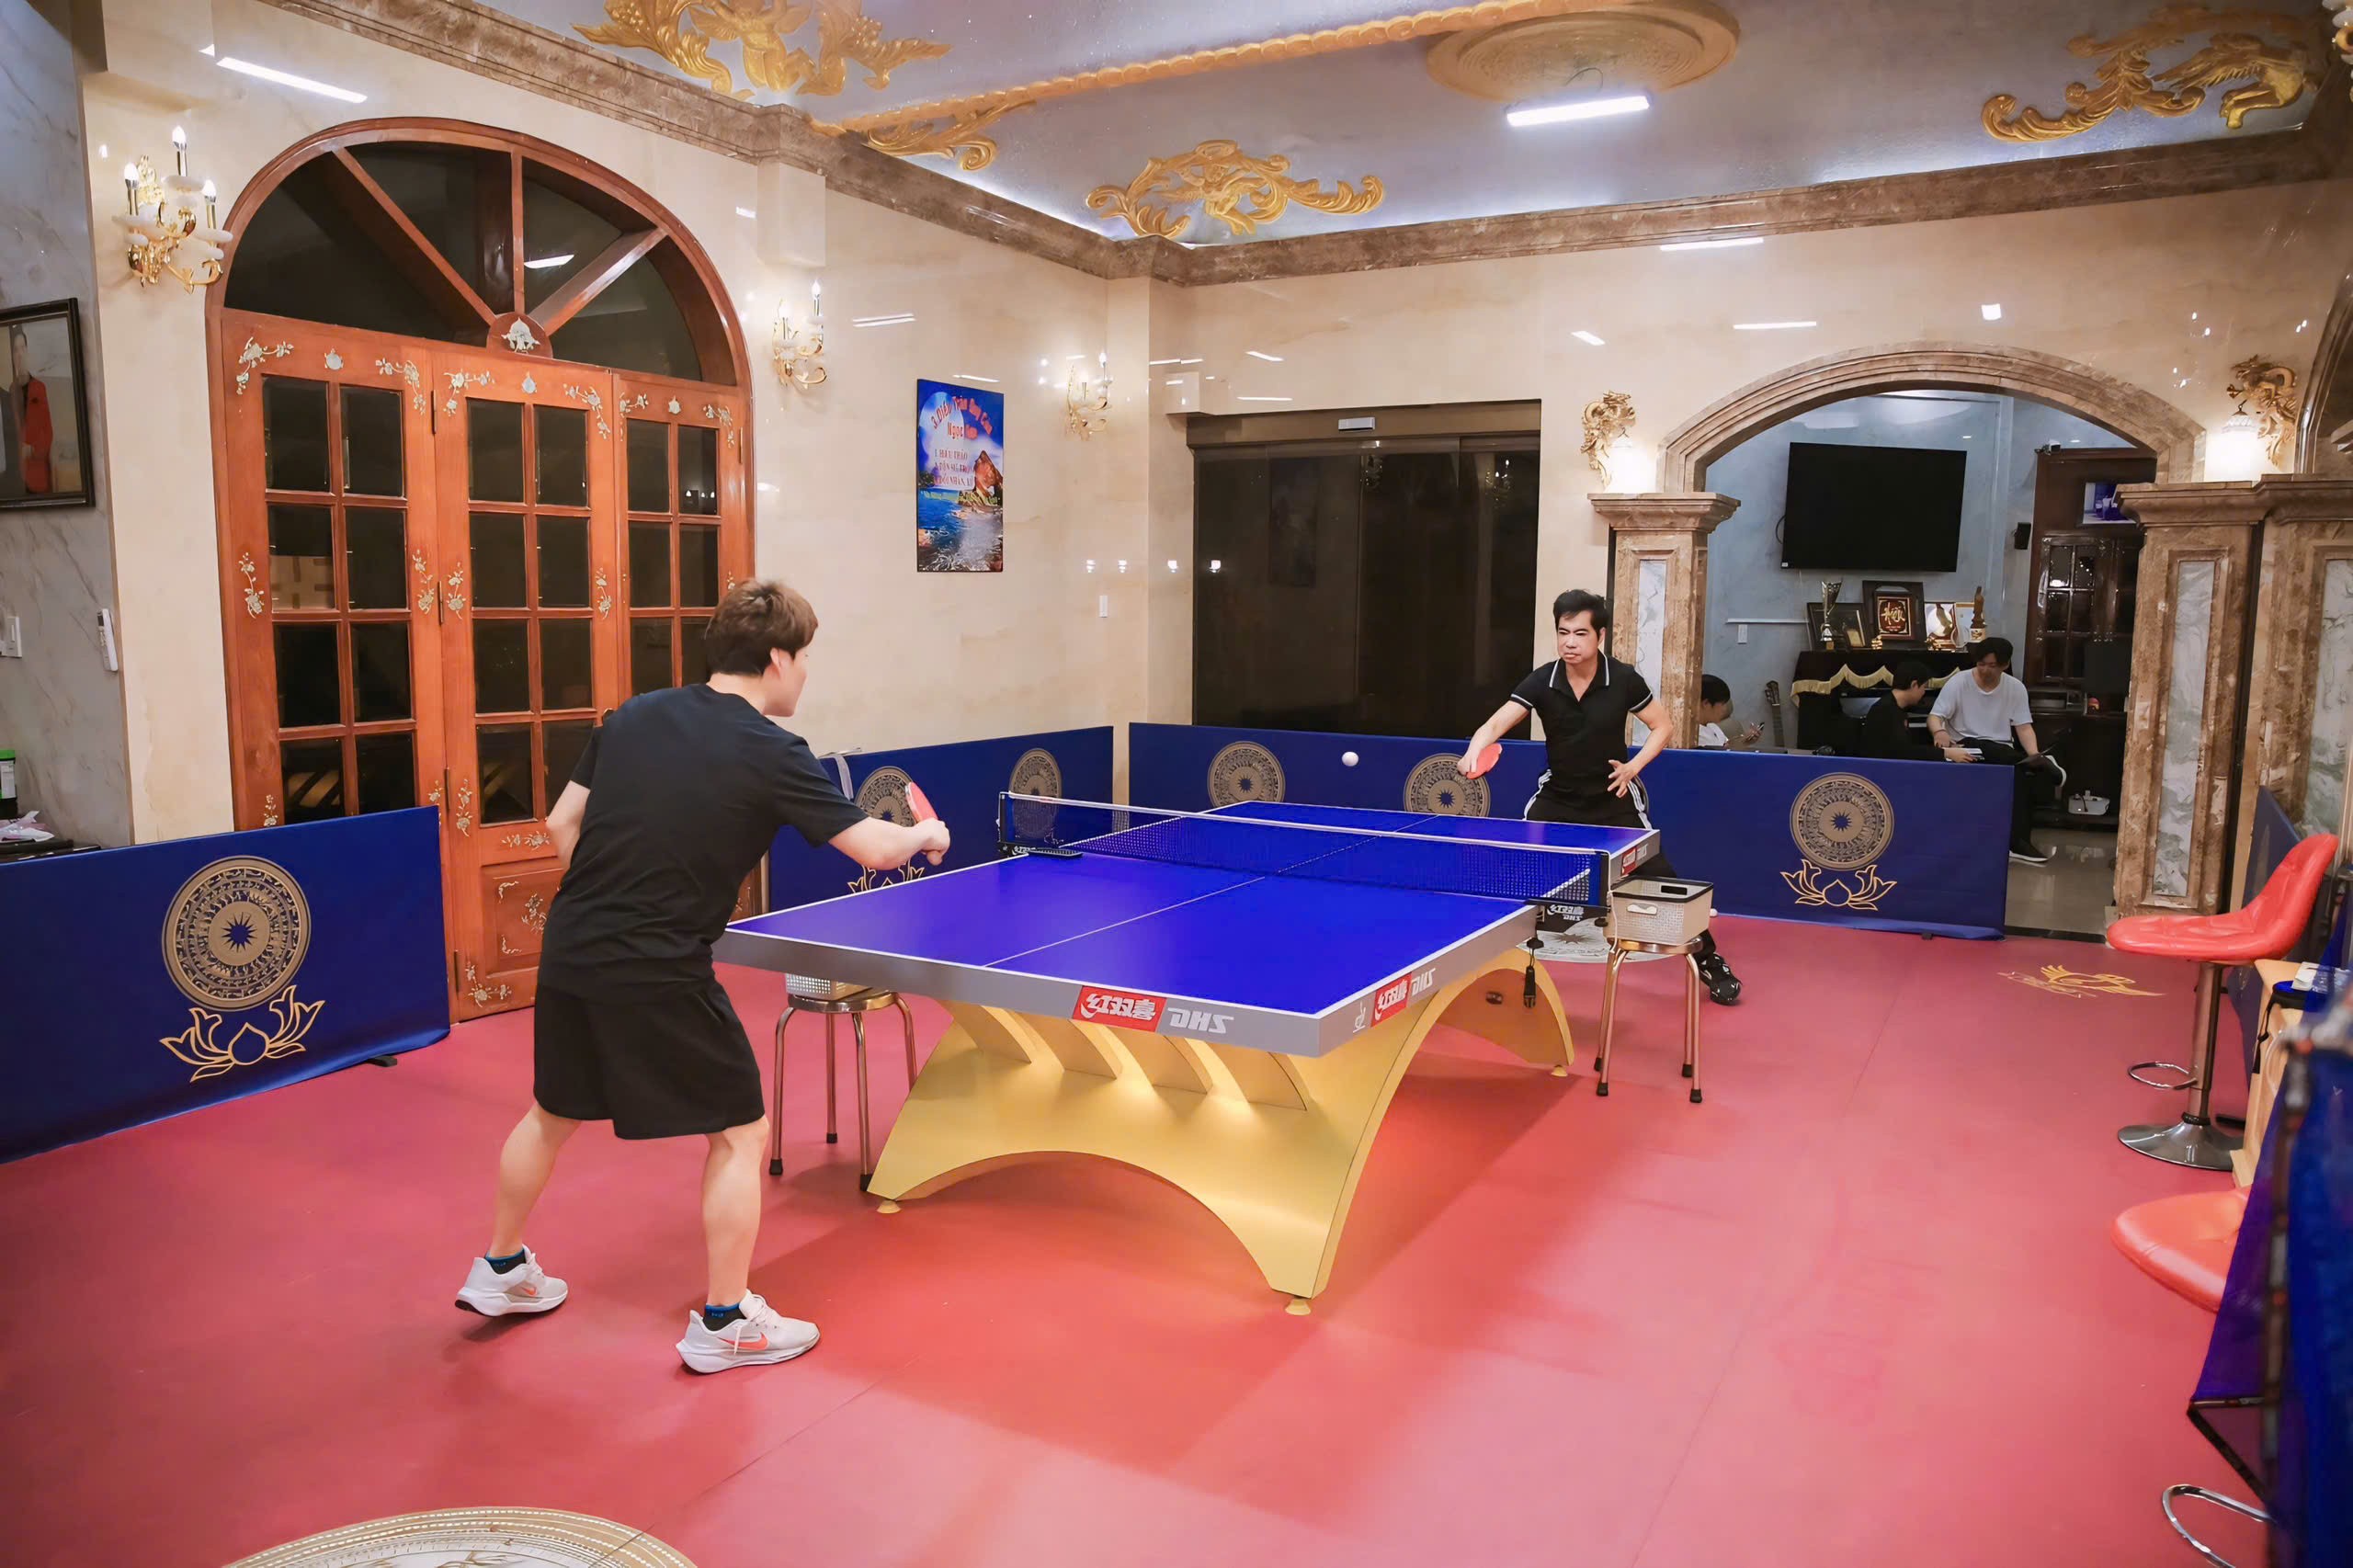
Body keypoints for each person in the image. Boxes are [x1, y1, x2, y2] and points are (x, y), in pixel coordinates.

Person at [455, 581, 951, 1375]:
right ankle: (725, 1321)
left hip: (574, 945)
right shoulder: (773, 750)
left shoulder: (631, 716)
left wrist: (609, 901)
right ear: (779, 657)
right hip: (659, 962)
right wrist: (927, 832)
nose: (805, 674)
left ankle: (501, 1269)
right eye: (805, 659)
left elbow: (561, 822)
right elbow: (874, 850)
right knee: (740, 1132)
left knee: (551, 1110)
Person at [1458, 589, 1742, 1005]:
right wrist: (1474, 749)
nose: (1570, 642)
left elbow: (1662, 726)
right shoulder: (1543, 680)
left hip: (1613, 795)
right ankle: (1484, 969)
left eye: (1580, 633)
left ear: (1600, 636)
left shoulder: (1623, 679)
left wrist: (1633, 767)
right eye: (1563, 632)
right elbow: (1496, 723)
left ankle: (1711, 962)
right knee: (1515, 873)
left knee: (1664, 883)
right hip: (1558, 796)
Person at [1927, 636, 2065, 864]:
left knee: (2020, 773)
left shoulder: (2015, 688)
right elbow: (1935, 716)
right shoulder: (1959, 682)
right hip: (1965, 747)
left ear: (2005, 665)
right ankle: (2043, 764)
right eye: (1981, 664)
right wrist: (1939, 732)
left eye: (1991, 666)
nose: (1985, 670)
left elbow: (2023, 726)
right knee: (1989, 749)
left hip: (2002, 750)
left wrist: (2033, 754)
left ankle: (2018, 842)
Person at [1856, 661, 1981, 765]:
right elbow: (1901, 752)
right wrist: (1945, 753)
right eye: (1924, 687)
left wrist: (1945, 746)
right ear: (1914, 684)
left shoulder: (1897, 708)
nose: (1924, 692)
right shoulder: (1884, 710)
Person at [6, 324, 51, 496]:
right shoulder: (11, 391)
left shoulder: (39, 388)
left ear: (27, 351)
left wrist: (32, 449)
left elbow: (48, 433)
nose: (19, 353)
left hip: (37, 473)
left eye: (22, 348)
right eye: (15, 349)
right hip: (16, 477)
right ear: (12, 356)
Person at [1695, 675, 1761, 750]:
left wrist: (1745, 741)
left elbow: (1726, 746)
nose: (1725, 709)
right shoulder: (1694, 736)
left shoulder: (1712, 726)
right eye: (1723, 704)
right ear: (1706, 704)